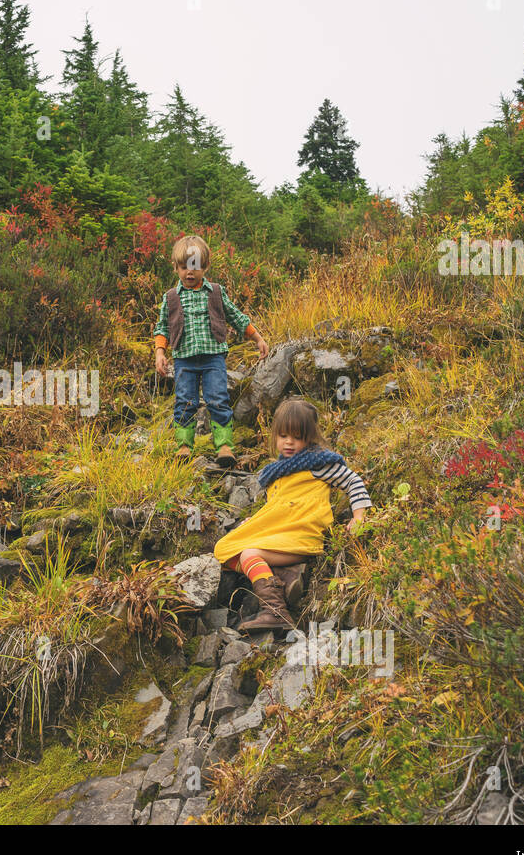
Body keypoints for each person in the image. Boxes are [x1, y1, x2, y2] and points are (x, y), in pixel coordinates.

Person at [213, 399, 372, 631]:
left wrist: (359, 517)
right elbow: (278, 509)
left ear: (309, 437)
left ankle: (276, 612)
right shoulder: (275, 474)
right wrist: (255, 520)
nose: (289, 442)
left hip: (302, 534)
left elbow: (353, 481)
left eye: (297, 437)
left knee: (248, 554)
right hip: (279, 534)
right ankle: (283, 577)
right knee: (224, 549)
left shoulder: (319, 463)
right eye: (283, 435)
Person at [153, 234, 268, 465]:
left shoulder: (215, 291)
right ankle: (184, 446)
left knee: (218, 399)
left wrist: (257, 338)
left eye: (195, 267)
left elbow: (235, 316)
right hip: (184, 359)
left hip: (213, 357)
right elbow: (162, 327)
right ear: (176, 267)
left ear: (205, 267)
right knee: (185, 401)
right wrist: (160, 352)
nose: (189, 272)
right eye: (184, 267)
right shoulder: (171, 297)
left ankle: (224, 445)